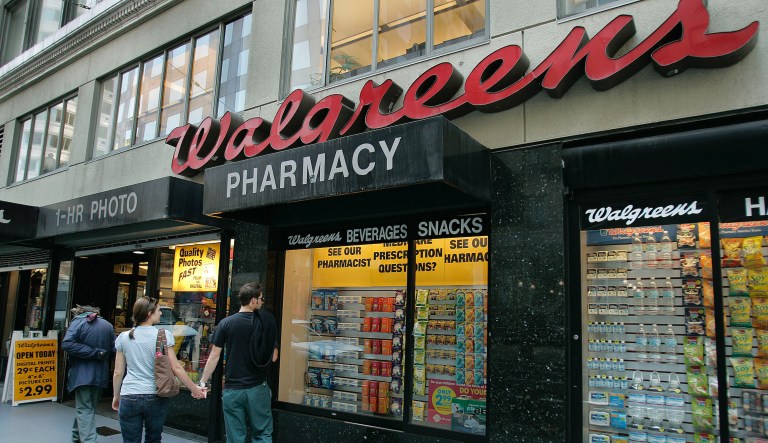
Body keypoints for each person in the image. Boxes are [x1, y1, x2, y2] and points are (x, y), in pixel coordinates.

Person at [112, 296, 206, 443]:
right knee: (154, 439)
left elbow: (118, 373)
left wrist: (116, 396)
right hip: (155, 395)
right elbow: (176, 367)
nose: (161, 313)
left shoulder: (124, 337)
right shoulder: (163, 335)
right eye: (158, 310)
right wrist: (194, 389)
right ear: (149, 313)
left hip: (129, 394)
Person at [199, 283, 278, 443]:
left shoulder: (225, 323)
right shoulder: (265, 322)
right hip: (257, 387)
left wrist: (203, 381)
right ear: (253, 300)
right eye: (261, 299)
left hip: (233, 389)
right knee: (262, 433)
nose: (263, 302)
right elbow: (274, 357)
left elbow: (214, 356)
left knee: (235, 436)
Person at [62, 305, 116, 443]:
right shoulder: (108, 325)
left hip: (82, 375)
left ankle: (89, 440)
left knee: (84, 408)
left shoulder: (78, 322)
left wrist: (94, 352)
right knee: (87, 408)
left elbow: (67, 344)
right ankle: (76, 437)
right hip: (100, 375)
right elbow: (114, 350)